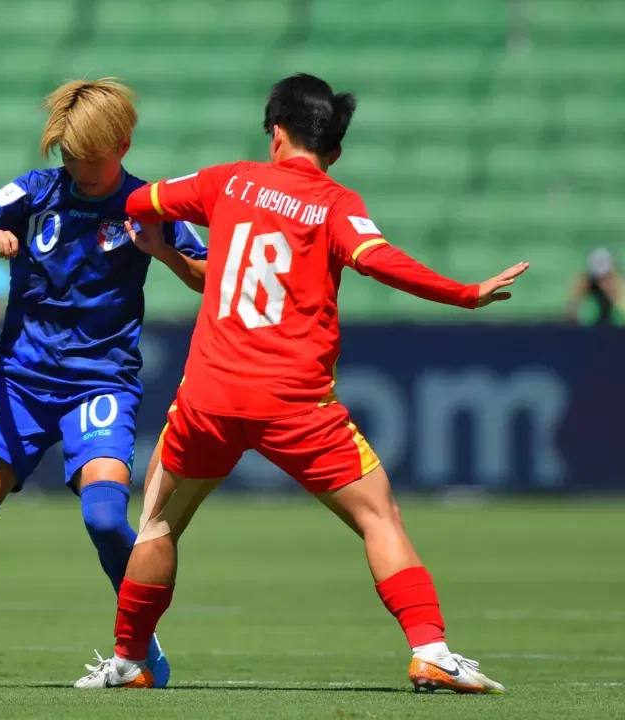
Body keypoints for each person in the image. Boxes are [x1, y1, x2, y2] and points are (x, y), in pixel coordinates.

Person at [73, 74, 526, 694]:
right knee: (380, 518)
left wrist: (168, 251)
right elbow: (380, 259)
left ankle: (129, 662)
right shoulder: (338, 205)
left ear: (276, 134)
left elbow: (138, 204)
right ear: (333, 151)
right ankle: (431, 650)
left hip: (210, 398)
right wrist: (464, 294)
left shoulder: (226, 180)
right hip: (295, 405)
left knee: (156, 526)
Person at [0, 79, 208, 690]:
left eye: (91, 158)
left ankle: (139, 648)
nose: (80, 168)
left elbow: (208, 278)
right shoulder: (38, 188)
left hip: (99, 385)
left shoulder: (146, 205)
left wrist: (161, 252)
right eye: (70, 156)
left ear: (122, 144)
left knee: (106, 519)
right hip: (19, 383)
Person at [565, 247, 623, 326]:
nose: (601, 281)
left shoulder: (615, 282)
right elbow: (572, 309)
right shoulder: (585, 280)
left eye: (604, 277)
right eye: (599, 278)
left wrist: (612, 293)